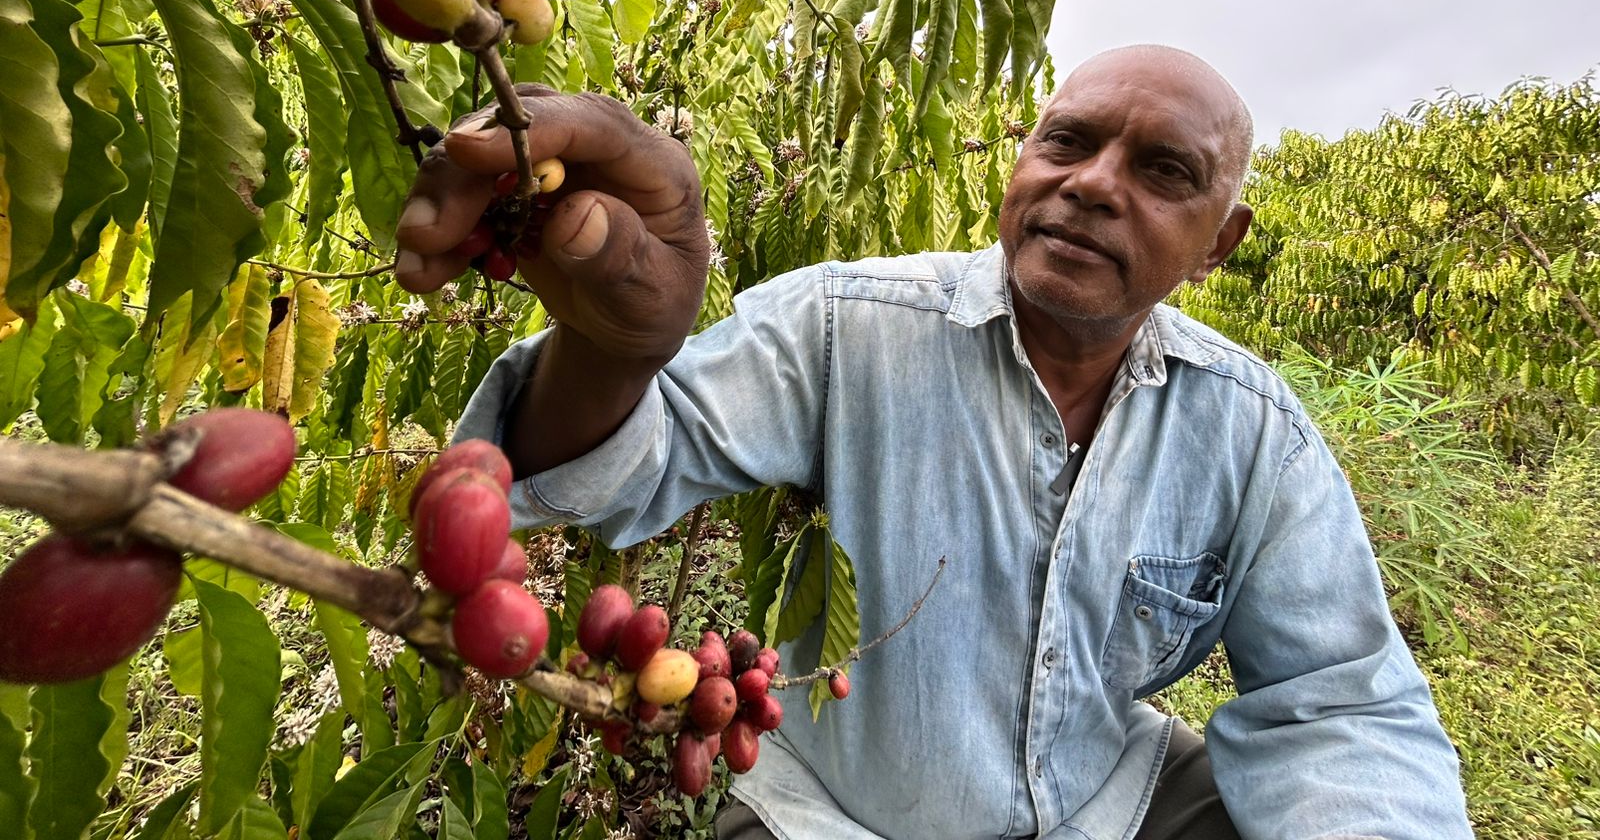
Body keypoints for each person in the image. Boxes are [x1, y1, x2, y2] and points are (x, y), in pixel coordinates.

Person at [395, 46, 1474, 840]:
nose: (1093, 184)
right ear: (1018, 164)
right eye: (1067, 141)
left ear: (1217, 245)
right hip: (837, 818)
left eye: (1163, 173)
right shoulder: (844, 325)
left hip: (1111, 802)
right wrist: (613, 345)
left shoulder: (1250, 433)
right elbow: (616, 466)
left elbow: (1340, 701)